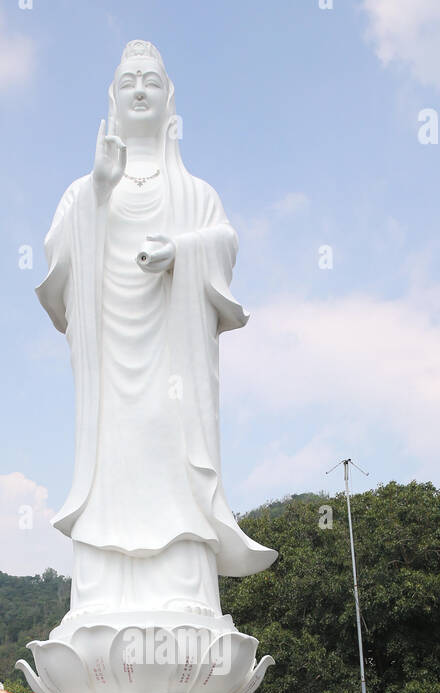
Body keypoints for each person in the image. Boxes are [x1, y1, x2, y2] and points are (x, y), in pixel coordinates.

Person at [35, 39, 276, 616]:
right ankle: (101, 597)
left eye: (151, 80)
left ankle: (181, 590)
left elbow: (223, 242)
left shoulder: (194, 193)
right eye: (127, 82)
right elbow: (59, 275)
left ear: (171, 101)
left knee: (173, 466)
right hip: (110, 368)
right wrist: (98, 190)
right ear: (112, 101)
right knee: (112, 465)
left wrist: (182, 251)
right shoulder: (83, 190)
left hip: (174, 363)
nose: (140, 89)